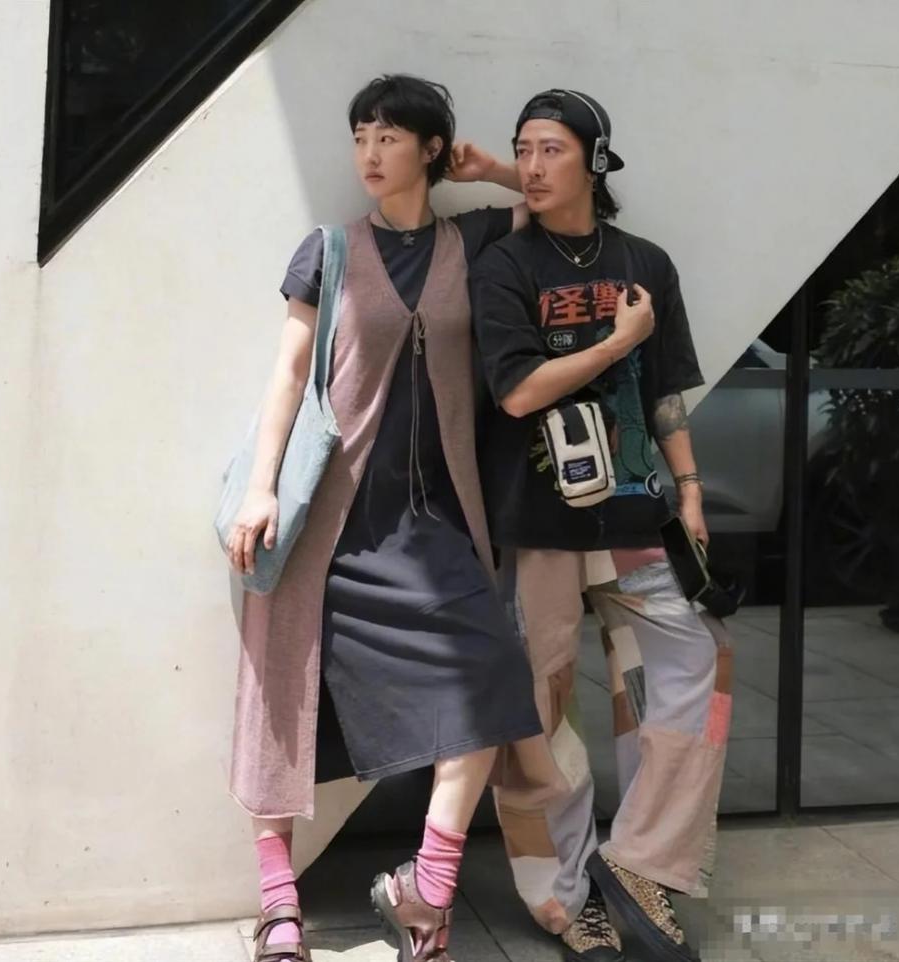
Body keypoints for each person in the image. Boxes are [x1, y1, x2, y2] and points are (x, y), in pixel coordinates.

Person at [227, 74, 546, 962]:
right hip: (330, 526)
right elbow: (289, 375)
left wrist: (494, 171)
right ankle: (279, 908)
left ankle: (425, 893)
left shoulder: (472, 241)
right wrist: (261, 488)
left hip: (432, 525)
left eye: (389, 137)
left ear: (430, 150)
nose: (368, 153)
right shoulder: (329, 251)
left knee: (490, 682)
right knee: (280, 702)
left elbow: (553, 206)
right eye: (360, 135)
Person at [470, 89, 733, 962]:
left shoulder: (645, 263)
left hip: (636, 513)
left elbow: (665, 392)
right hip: (539, 520)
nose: (533, 165)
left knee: (698, 661)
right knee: (541, 709)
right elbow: (517, 392)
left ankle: (640, 862)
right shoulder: (505, 267)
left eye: (550, 149)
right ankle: (563, 899)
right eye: (523, 150)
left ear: (595, 159)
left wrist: (689, 491)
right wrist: (616, 342)